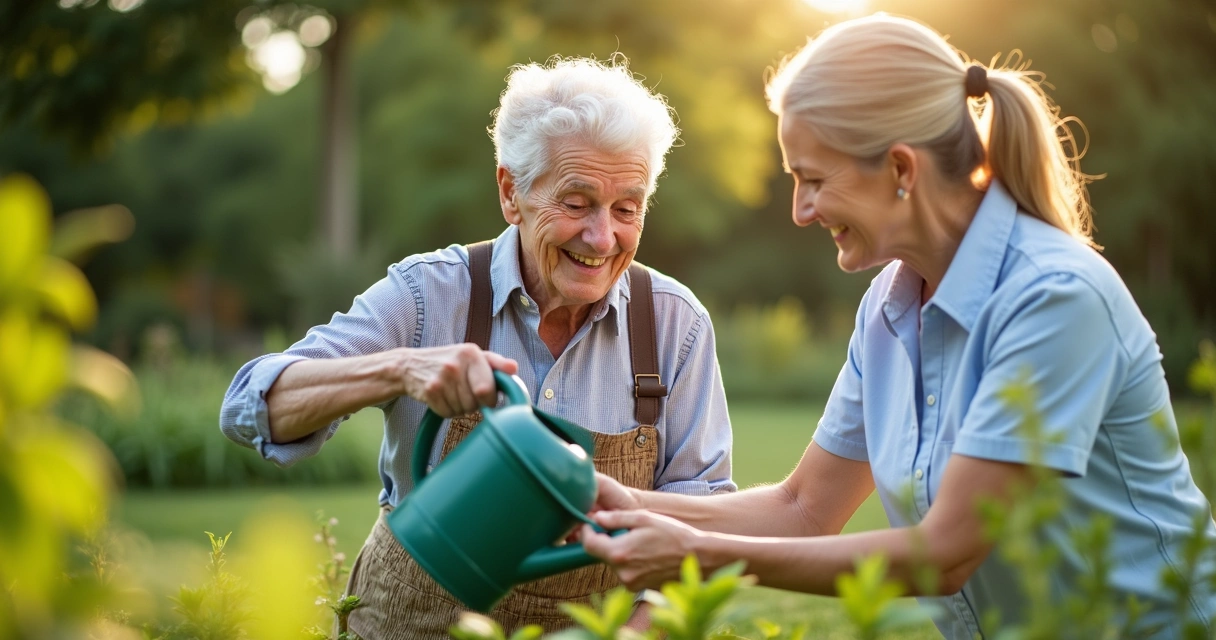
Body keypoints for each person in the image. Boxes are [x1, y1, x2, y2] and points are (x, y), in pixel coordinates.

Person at [579, 15, 1216, 638]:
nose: (801, 210)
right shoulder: (888, 306)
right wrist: (614, 501)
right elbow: (803, 509)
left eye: (813, 180)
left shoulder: (1053, 298)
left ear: (903, 170)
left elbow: (944, 554)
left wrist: (696, 551)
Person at [219, 57, 736, 639]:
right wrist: (399, 369)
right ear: (512, 193)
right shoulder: (427, 295)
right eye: (576, 203)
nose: (602, 237)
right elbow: (249, 405)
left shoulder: (674, 325)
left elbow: (702, 524)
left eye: (626, 210)